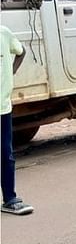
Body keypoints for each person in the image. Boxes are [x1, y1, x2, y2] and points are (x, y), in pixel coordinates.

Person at [1, 24, 32, 215]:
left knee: (6, 154)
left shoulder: (4, 33)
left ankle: (10, 198)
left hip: (3, 107)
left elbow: (21, 51)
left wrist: (10, 73)